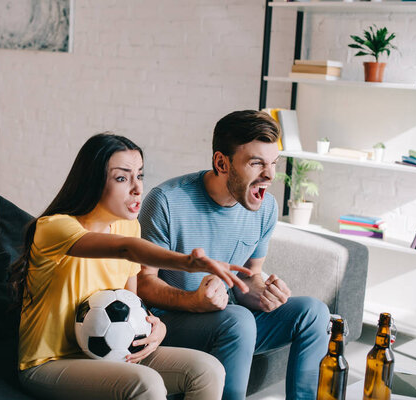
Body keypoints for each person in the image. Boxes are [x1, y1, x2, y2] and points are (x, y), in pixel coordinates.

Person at [8, 133, 254, 400]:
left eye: (140, 175)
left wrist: (157, 328)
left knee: (208, 370)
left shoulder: (129, 226)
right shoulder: (54, 228)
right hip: (49, 364)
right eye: (122, 178)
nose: (137, 188)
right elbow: (123, 247)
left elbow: (132, 301)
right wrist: (186, 263)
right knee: (145, 383)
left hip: (112, 353)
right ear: (93, 182)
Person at [137, 110, 331, 400]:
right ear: (221, 163)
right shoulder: (166, 201)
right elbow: (143, 283)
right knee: (238, 320)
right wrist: (194, 301)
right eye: (256, 163)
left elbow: (249, 278)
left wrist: (265, 294)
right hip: (171, 323)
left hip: (229, 319)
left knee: (314, 312)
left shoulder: (265, 208)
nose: (269, 175)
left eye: (273, 164)